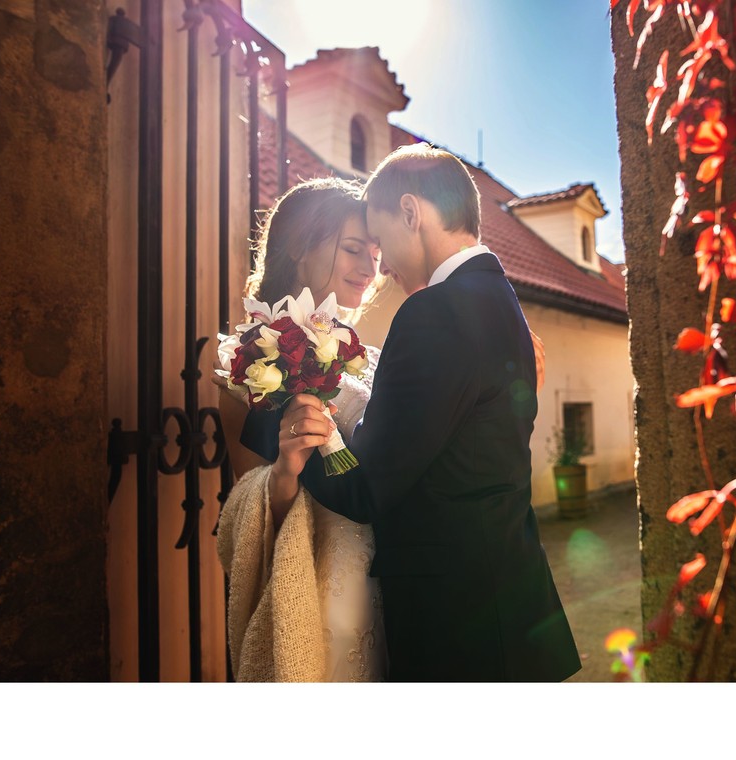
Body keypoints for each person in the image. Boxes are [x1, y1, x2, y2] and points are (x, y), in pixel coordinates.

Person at [245, 144, 581, 682]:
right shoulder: (501, 301)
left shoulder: (436, 312)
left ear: (410, 213)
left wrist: (296, 435)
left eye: (379, 244)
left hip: (457, 622)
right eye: (359, 247)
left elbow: (367, 490)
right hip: (495, 605)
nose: (380, 266)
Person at [215, 176, 388, 682]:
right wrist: (287, 468)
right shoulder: (244, 363)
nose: (370, 268)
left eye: (376, 253)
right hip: (320, 587)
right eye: (354, 248)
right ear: (298, 247)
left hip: (391, 574)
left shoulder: (372, 360)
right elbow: (243, 501)